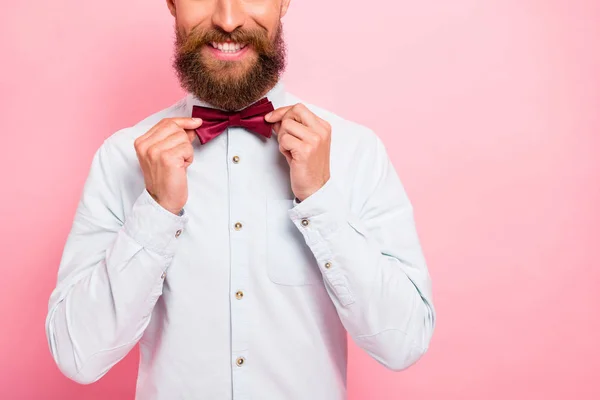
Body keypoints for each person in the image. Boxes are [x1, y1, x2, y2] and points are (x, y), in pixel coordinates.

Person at [45, 0, 436, 398]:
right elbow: (79, 357)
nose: (227, 19)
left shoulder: (356, 151)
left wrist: (321, 200)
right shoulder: (122, 156)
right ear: (171, 4)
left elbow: (402, 344)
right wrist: (157, 211)